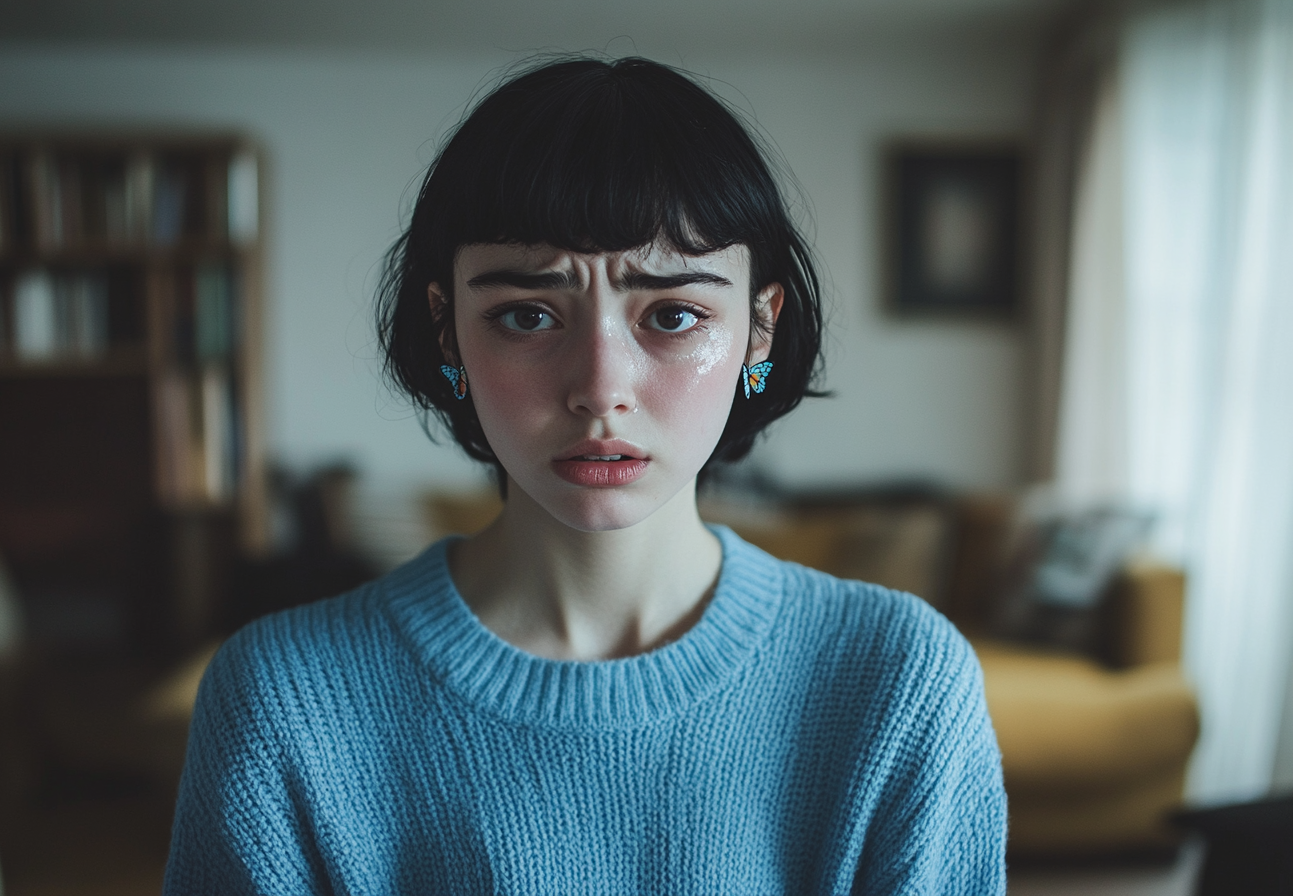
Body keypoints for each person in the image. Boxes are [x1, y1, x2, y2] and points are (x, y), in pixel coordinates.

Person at [163, 57, 1006, 895]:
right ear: (447, 329)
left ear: (759, 329)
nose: (601, 388)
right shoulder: (281, 705)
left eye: (673, 315)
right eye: (527, 315)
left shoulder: (898, 683)